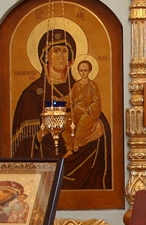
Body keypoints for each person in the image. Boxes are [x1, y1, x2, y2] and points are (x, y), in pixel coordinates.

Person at [11, 29, 112, 190]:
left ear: (71, 58)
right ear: (45, 57)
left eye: (65, 51)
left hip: (87, 170)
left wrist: (101, 127)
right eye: (56, 51)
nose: (62, 56)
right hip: (47, 173)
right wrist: (41, 134)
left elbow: (96, 111)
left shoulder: (82, 87)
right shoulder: (32, 94)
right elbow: (19, 145)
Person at [63, 58, 104, 156]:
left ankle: (76, 143)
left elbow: (97, 102)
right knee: (64, 121)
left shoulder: (92, 86)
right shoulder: (76, 85)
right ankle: (69, 147)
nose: (83, 73)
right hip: (76, 113)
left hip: (87, 114)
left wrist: (87, 109)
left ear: (89, 71)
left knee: (83, 119)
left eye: (85, 70)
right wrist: (60, 99)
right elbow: (70, 98)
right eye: (81, 70)